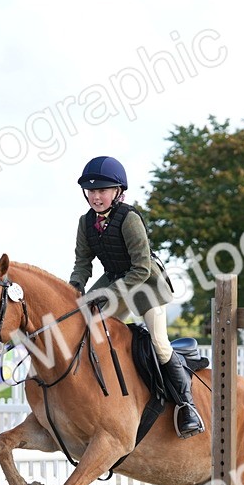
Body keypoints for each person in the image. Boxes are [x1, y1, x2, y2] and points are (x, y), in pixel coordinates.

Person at [69, 155, 204, 438]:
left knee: (160, 344)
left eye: (103, 190)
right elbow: (83, 263)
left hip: (146, 285)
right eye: (92, 191)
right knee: (85, 326)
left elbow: (141, 267)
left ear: (118, 191)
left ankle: (187, 406)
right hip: (116, 278)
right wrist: (74, 291)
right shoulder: (85, 222)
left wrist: (107, 294)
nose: (96, 196)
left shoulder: (129, 219)